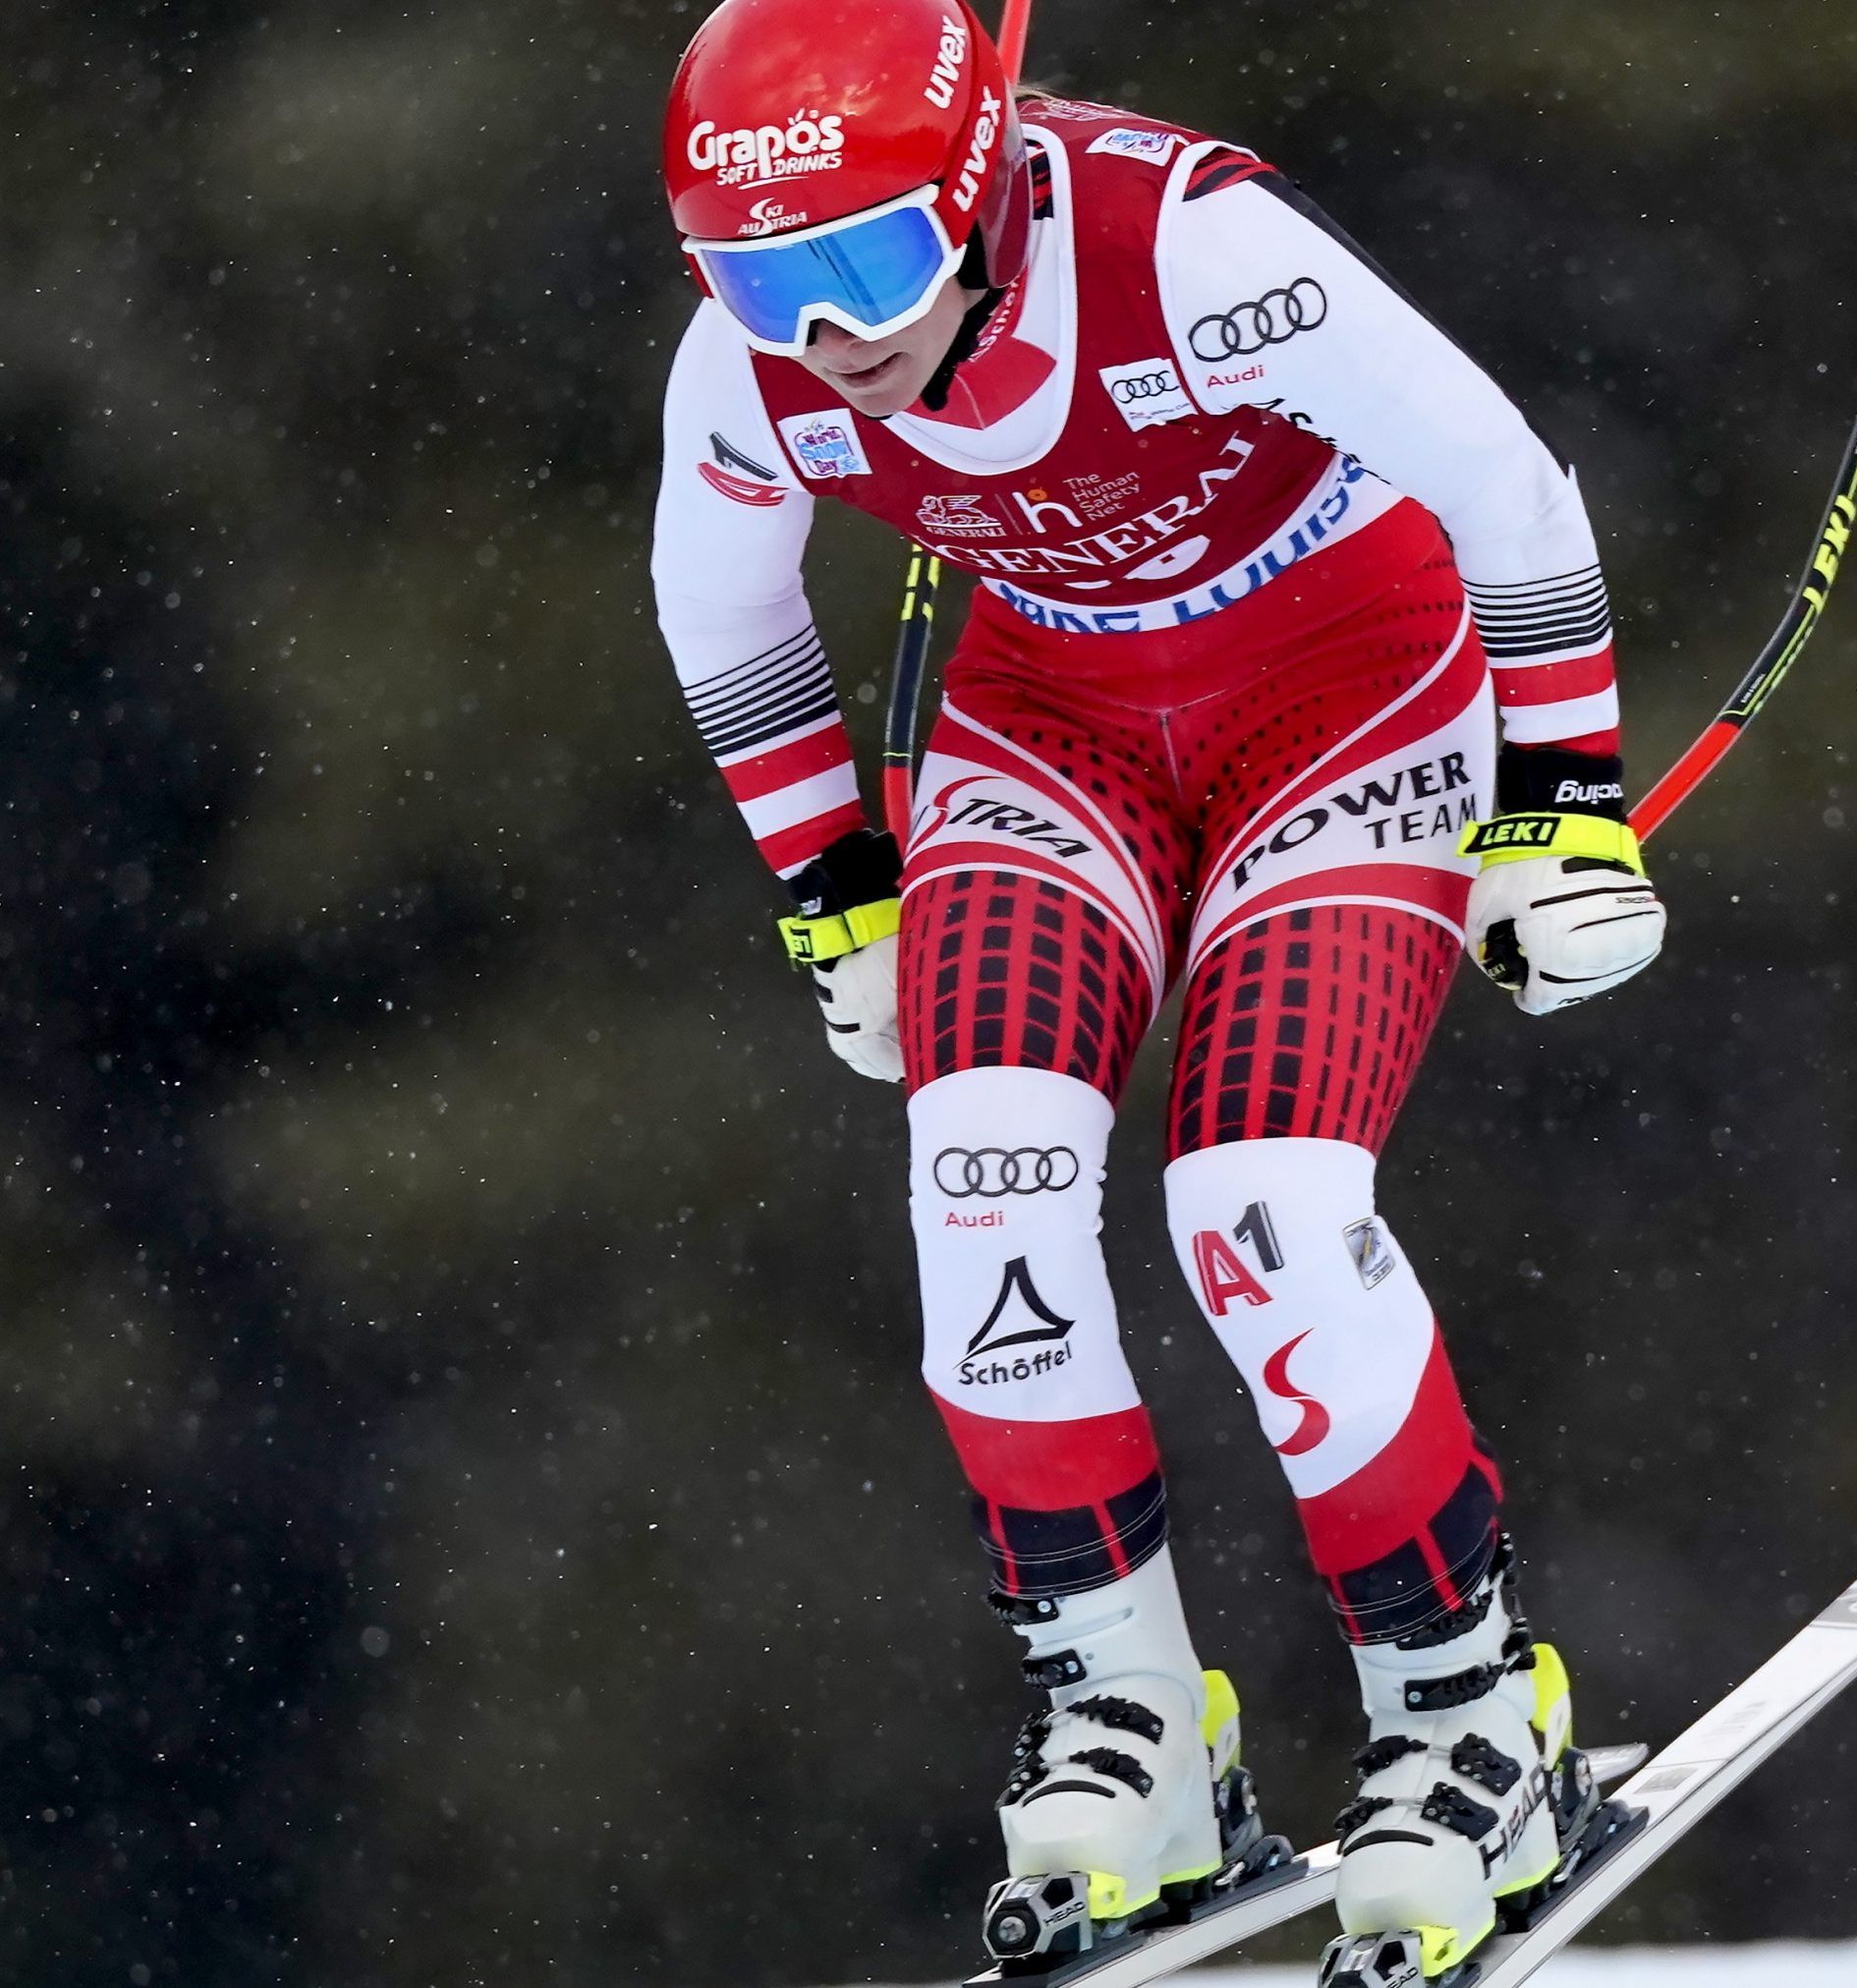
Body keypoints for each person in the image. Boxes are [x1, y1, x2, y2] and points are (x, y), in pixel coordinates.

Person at [649, 0, 1667, 1974]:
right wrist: (835, 893)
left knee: (1258, 1205)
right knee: (984, 1174)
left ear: (971, 192)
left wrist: (1564, 810)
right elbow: (723, 604)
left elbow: (1508, 488)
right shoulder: (759, 368)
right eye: (753, 283)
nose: (823, 334)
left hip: (1343, 693)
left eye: (859, 265)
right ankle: (1130, 1718)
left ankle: (1468, 1716)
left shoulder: (1184, 246)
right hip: (1055, 728)